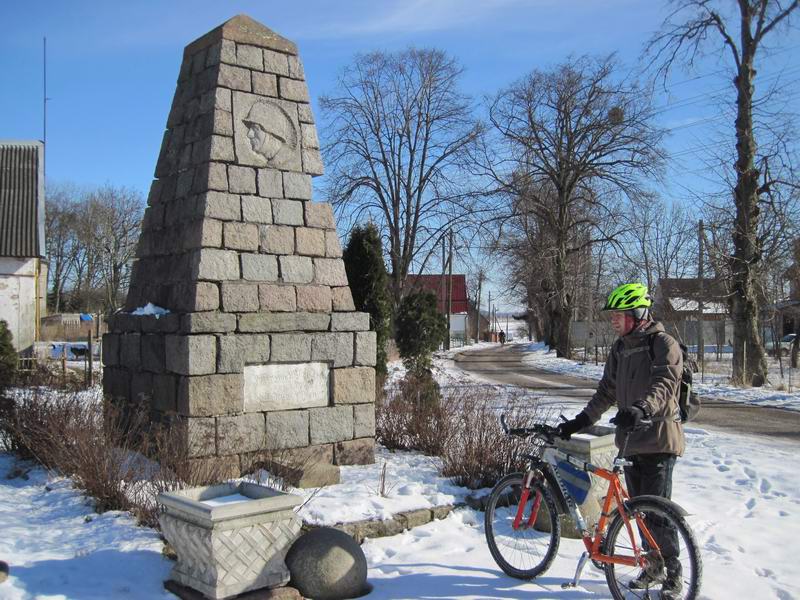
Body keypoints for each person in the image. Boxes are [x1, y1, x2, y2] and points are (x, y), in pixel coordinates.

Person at [556, 282, 685, 599]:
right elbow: (606, 392)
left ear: (638, 313)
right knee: (637, 512)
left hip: (658, 438)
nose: (613, 320)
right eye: (611, 315)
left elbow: (665, 382)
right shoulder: (620, 349)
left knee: (658, 512)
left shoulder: (663, 343)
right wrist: (582, 420)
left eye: (619, 314)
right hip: (630, 441)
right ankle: (652, 567)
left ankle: (673, 574)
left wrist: (642, 408)